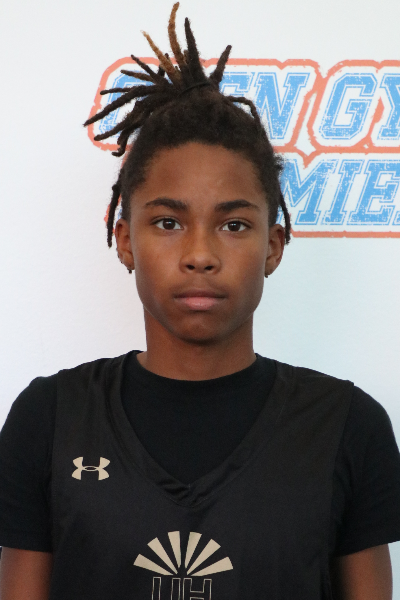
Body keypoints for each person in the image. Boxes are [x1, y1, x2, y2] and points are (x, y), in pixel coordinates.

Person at [1, 4, 400, 599]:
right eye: (168, 222)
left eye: (233, 225)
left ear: (273, 246)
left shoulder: (347, 427)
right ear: (125, 239)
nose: (200, 255)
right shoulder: (50, 420)